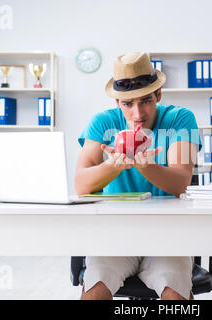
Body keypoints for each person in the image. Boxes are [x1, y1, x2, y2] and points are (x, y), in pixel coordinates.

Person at [75, 52, 202, 300]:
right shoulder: (101, 123)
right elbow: (81, 184)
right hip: (117, 234)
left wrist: (147, 167)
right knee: (94, 293)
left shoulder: (180, 119)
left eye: (145, 101)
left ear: (159, 95)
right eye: (128, 104)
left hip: (168, 236)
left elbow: (180, 182)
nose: (137, 113)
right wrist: (113, 166)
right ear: (117, 102)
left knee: (175, 296)